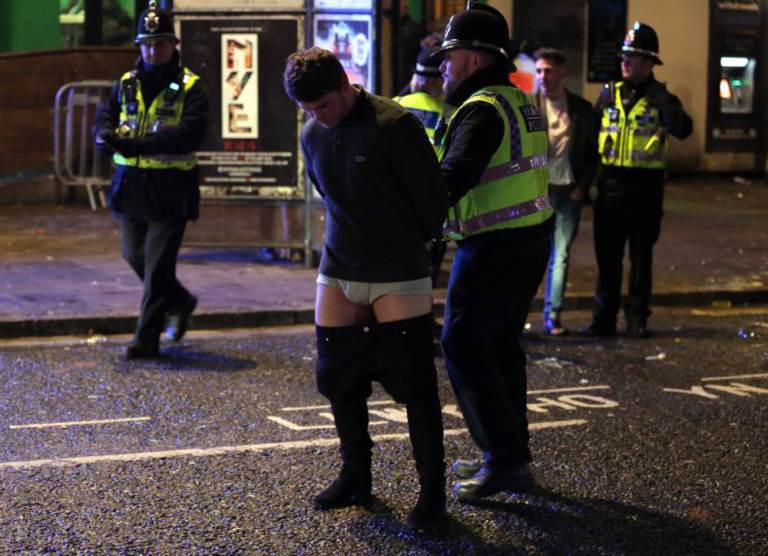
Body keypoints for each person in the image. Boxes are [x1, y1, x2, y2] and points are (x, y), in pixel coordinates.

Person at [283, 47, 449, 532]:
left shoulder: (394, 125)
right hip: (339, 266)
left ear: (343, 85)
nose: (318, 117)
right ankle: (356, 476)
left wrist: (403, 243)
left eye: (323, 106)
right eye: (308, 111)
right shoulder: (313, 134)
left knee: (414, 384)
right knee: (337, 377)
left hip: (397, 268)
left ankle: (432, 495)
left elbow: (432, 201)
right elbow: (329, 195)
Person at [434, 3, 553, 500]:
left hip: (495, 246)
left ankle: (502, 457)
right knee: (501, 347)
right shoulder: (517, 100)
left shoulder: (481, 109)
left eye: (450, 55)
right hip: (527, 238)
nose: (443, 65)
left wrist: (405, 207)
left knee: (462, 343)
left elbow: (453, 178)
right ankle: (510, 455)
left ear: (475, 60)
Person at [93, 0, 209, 359]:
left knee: (157, 264)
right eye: (146, 43)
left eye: (159, 43)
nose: (151, 50)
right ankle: (181, 300)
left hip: (171, 188)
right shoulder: (125, 84)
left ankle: (145, 338)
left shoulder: (192, 87)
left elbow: (189, 135)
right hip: (131, 185)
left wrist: (135, 143)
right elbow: (104, 116)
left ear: (173, 44)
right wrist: (104, 134)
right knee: (133, 254)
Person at [585, 22, 692, 338]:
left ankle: (636, 320)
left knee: (641, 261)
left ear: (649, 63)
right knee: (608, 261)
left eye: (632, 58)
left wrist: (664, 101)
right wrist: (587, 184)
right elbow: (593, 140)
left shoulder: (662, 98)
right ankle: (603, 320)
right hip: (610, 190)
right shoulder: (609, 94)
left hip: (645, 191)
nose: (624, 62)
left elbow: (684, 129)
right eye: (623, 57)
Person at [533, 48, 599, 336]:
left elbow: (594, 153)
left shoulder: (581, 109)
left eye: (548, 70)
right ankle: (520, 313)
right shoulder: (531, 107)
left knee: (559, 256)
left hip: (568, 192)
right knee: (531, 255)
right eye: (538, 71)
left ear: (561, 72)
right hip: (538, 193)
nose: (542, 77)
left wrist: (582, 188)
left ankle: (553, 315)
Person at [393, 45, 451, 292]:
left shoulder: (394, 105)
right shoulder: (448, 115)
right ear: (439, 81)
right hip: (428, 208)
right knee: (425, 274)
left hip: (393, 204)